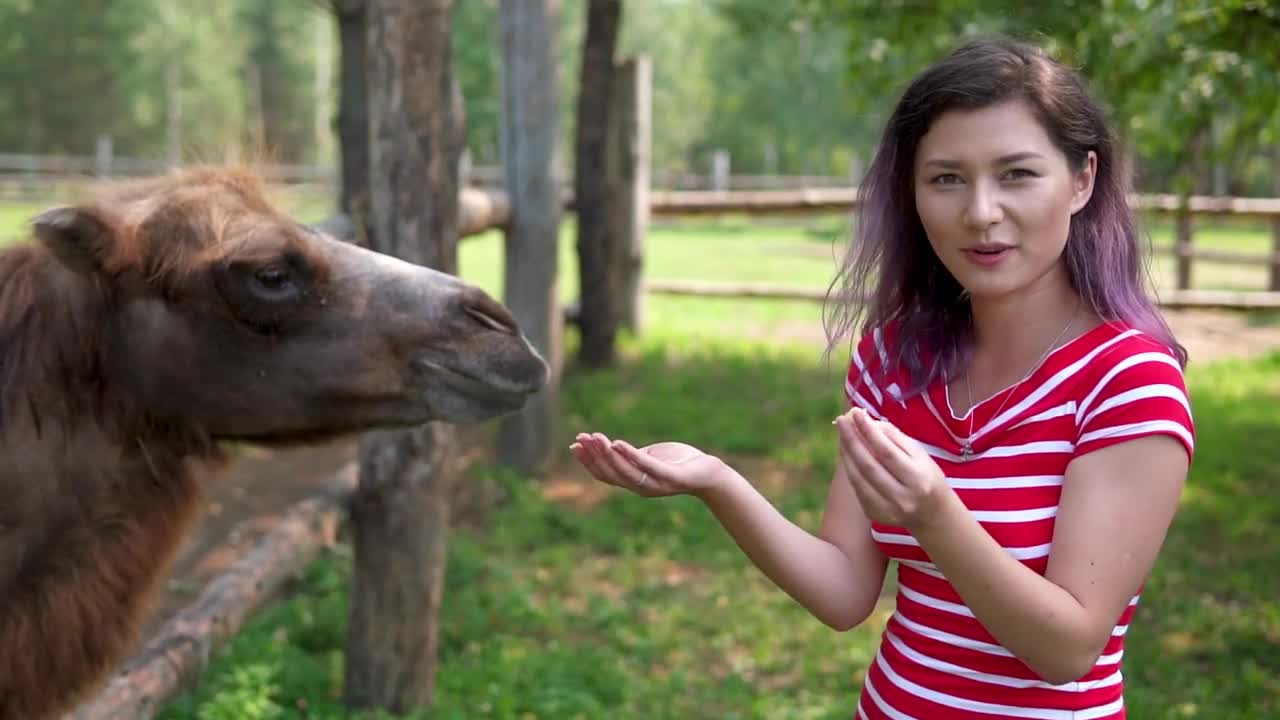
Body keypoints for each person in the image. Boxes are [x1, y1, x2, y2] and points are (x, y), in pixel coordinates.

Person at [569, 35, 1194, 719]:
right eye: (947, 178)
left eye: (1016, 174)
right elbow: (844, 593)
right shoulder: (894, 363)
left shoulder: (1128, 381)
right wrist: (719, 483)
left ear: (1082, 181)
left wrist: (935, 516)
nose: (980, 212)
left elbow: (1067, 649)